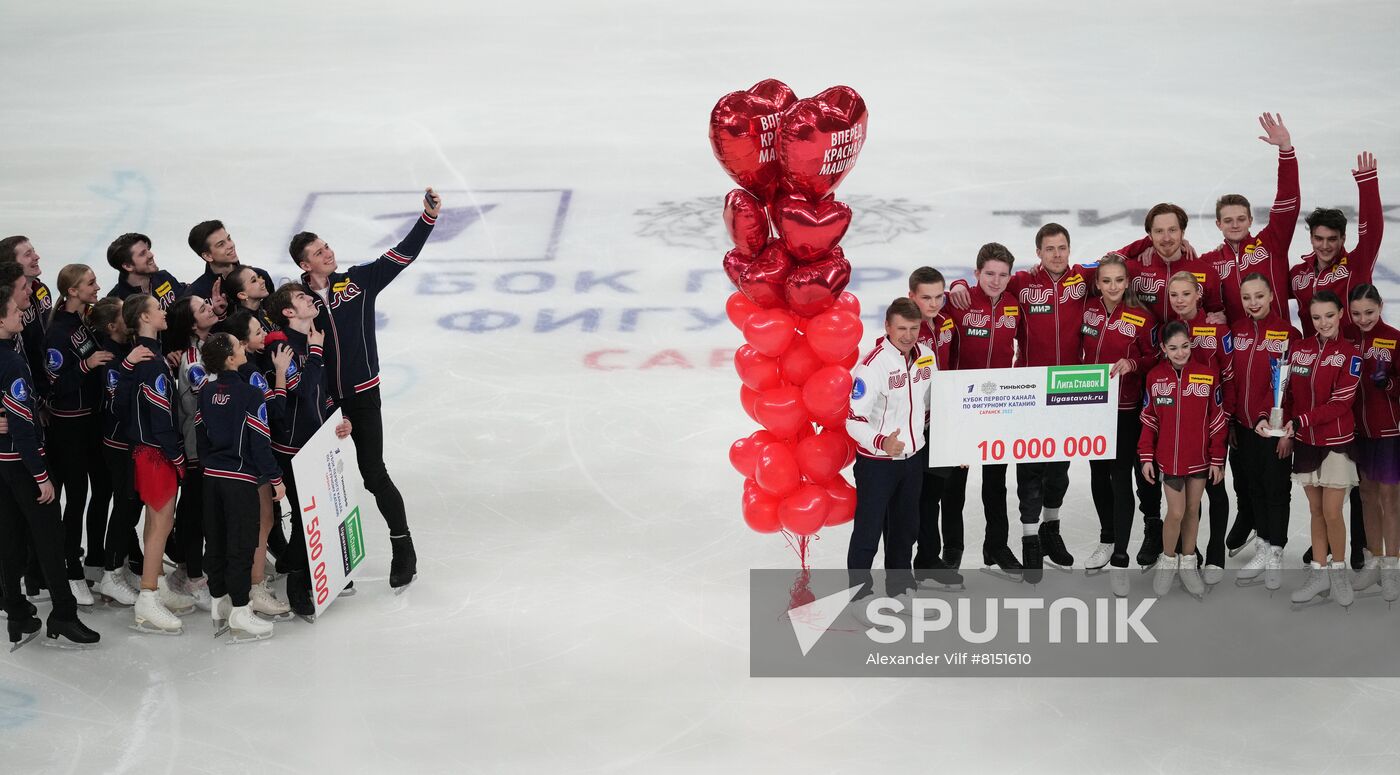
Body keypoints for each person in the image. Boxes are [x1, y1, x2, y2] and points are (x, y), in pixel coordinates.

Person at [288, 187, 442, 590]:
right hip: (320, 402)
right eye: (319, 252)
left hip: (362, 395)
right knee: (314, 478)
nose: (328, 253)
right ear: (305, 263)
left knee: (373, 474)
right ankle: (316, 561)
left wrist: (427, 218)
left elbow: (402, 255)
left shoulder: (356, 281)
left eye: (328, 247)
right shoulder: (297, 300)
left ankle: (402, 546)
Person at [0, 282, 101, 648]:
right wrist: (41, 475)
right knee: (49, 537)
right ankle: (63, 612)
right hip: (22, 463)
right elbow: (24, 428)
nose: (23, 316)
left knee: (10, 536)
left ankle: (15, 608)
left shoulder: (11, 349)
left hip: (4, 463)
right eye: (15, 312)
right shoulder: (10, 360)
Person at [265, 282, 352, 615]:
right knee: (305, 517)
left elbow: (323, 393)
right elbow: (300, 389)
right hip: (290, 448)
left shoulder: (314, 340)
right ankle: (298, 586)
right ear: (289, 312)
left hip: (316, 442)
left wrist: (339, 420)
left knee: (315, 512)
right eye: (301, 297)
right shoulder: (281, 346)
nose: (309, 299)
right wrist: (316, 352)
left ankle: (305, 568)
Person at [940, 243, 1025, 577]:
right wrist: (955, 286)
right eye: (989, 273)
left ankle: (997, 546)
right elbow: (930, 304)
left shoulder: (1014, 306)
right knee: (954, 486)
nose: (995, 280)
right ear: (976, 274)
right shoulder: (958, 302)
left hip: (999, 408)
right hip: (961, 408)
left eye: (1002, 274)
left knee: (996, 483)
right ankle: (953, 551)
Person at [195, 333, 284, 642]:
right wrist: (275, 478)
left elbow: (200, 436)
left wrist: (211, 464)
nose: (244, 347)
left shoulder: (205, 393)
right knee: (242, 544)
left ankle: (219, 602)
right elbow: (260, 445)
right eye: (238, 346)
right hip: (240, 479)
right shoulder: (250, 394)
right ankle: (241, 611)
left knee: (216, 540)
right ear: (231, 359)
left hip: (212, 478)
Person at [846, 298, 933, 608]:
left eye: (914, 328)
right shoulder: (872, 367)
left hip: (912, 460)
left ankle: (899, 586)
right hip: (877, 464)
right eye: (901, 329)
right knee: (868, 530)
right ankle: (859, 593)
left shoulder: (927, 358)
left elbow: (931, 405)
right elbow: (853, 420)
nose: (908, 336)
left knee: (904, 528)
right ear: (887, 327)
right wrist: (882, 442)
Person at [1277, 291, 1362, 608]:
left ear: (1341, 314)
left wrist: (1300, 420)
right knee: (1314, 511)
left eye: (1329, 315)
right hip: (1306, 443)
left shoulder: (1350, 355)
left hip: (1336, 443)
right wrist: (1285, 426)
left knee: (1331, 511)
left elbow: (1341, 403)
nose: (1323, 322)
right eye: (1316, 317)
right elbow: (1287, 397)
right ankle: (1320, 573)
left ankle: (1338, 574)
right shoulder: (1299, 350)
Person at [1079, 254, 1156, 596]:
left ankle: (1122, 558)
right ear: (1098, 283)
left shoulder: (1140, 317)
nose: (1112, 287)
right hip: (1091, 407)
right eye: (1106, 281)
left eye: (1118, 280)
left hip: (1125, 410)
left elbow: (1155, 356)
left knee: (1120, 477)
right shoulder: (1088, 310)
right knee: (1098, 475)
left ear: (1128, 282)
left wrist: (1132, 362)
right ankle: (1107, 539)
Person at [122, 294, 197, 633]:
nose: (163, 311)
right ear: (144, 318)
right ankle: (148, 599)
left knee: (157, 524)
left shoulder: (149, 358)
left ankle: (156, 585)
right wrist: (177, 455)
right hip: (155, 453)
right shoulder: (150, 363)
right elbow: (160, 417)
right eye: (157, 308)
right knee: (161, 524)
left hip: (149, 451)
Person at [212, 310, 294, 618]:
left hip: (230, 460)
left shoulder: (228, 375)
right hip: (253, 461)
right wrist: (282, 372)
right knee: (263, 522)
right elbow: (277, 411)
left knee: (257, 523)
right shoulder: (252, 374)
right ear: (243, 344)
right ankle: (255, 586)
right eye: (258, 331)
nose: (265, 334)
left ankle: (248, 581)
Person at [1139, 321, 1228, 598]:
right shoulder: (1155, 377)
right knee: (1175, 512)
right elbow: (1149, 419)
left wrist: (1216, 459)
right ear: (1163, 348)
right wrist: (1146, 456)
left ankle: (1188, 562)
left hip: (1200, 460)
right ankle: (1168, 561)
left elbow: (1217, 420)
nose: (1180, 353)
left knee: (1192, 511)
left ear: (1191, 344)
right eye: (1174, 348)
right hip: (1170, 462)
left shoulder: (1207, 375)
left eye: (1185, 346)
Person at [1226, 274, 1301, 591]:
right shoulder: (1237, 331)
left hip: (1273, 430)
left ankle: (1275, 551)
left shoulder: (1288, 334)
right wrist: (1231, 420)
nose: (1253, 303)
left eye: (1259, 296)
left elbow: (1295, 387)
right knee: (1253, 486)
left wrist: (1289, 431)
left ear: (1272, 296)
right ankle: (1262, 545)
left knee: (1275, 489)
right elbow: (1230, 379)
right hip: (1243, 428)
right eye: (1247, 298)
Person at [43, 264, 112, 605]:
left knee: (101, 490)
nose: (97, 287)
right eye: (90, 283)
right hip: (69, 426)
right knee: (76, 497)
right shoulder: (57, 331)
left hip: (91, 422)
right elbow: (55, 386)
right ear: (72, 291)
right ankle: (71, 568)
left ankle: (96, 560)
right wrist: (86, 366)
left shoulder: (81, 322)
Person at [1164, 271, 1235, 583]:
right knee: (1182, 498)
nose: (1180, 301)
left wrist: (1227, 420)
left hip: (1213, 424)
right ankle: (1183, 553)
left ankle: (1215, 554)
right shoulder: (1167, 331)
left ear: (1198, 295)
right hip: (1180, 428)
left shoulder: (1217, 330)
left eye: (1186, 294)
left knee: (1214, 490)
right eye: (1174, 295)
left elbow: (1230, 377)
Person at [1200, 113, 1300, 325]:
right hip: (1239, 348)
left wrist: (1286, 150)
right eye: (1228, 221)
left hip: (1279, 342)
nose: (1235, 225)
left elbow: (1288, 204)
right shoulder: (1209, 262)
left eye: (1241, 219)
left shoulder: (1271, 245)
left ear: (1251, 220)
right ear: (1218, 224)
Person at [159, 295, 221, 611]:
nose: (210, 308)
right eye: (203, 308)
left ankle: (187, 564)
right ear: (192, 323)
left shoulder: (210, 345)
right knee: (195, 512)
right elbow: (211, 400)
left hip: (211, 446)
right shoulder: (194, 359)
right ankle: (194, 576)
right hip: (199, 447)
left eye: (207, 303)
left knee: (196, 509)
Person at [89, 297, 152, 606]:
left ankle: (121, 563)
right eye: (123, 315)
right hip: (118, 444)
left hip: (133, 442)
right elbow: (116, 403)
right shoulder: (110, 358)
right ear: (112, 326)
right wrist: (128, 366)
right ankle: (110, 574)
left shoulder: (128, 348)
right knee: (125, 504)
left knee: (133, 503)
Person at [904, 268, 962, 586]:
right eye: (926, 297)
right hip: (911, 429)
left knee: (932, 497)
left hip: (940, 424)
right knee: (910, 499)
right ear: (911, 296)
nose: (934, 303)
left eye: (939, 296)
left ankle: (927, 558)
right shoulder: (906, 331)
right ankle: (902, 565)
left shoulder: (945, 320)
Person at [1289, 152, 1382, 339]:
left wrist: (1367, 184)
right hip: (1313, 359)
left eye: (1332, 239)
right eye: (1319, 238)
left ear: (1343, 239)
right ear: (1311, 238)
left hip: (1352, 355)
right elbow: (1262, 292)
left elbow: (1372, 231)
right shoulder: (1298, 275)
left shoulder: (1356, 266)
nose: (1325, 245)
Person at [1346, 284, 1400, 602]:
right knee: (1365, 495)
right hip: (1357, 432)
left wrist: (1390, 383)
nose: (1363, 319)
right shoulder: (1348, 339)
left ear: (1380, 307)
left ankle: (1392, 567)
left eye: (1369, 312)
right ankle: (1373, 561)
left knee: (1389, 499)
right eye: (1356, 313)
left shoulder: (1393, 338)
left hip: (1389, 432)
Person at [184, 220, 274, 318]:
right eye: (221, 244)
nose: (230, 245)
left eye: (229, 238)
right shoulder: (197, 295)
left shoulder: (260, 275)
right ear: (207, 256)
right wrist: (219, 315)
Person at [106, 233, 185, 310]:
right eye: (142, 254)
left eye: (148, 249)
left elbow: (186, 304)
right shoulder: (115, 303)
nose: (151, 255)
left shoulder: (163, 277)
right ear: (128, 266)